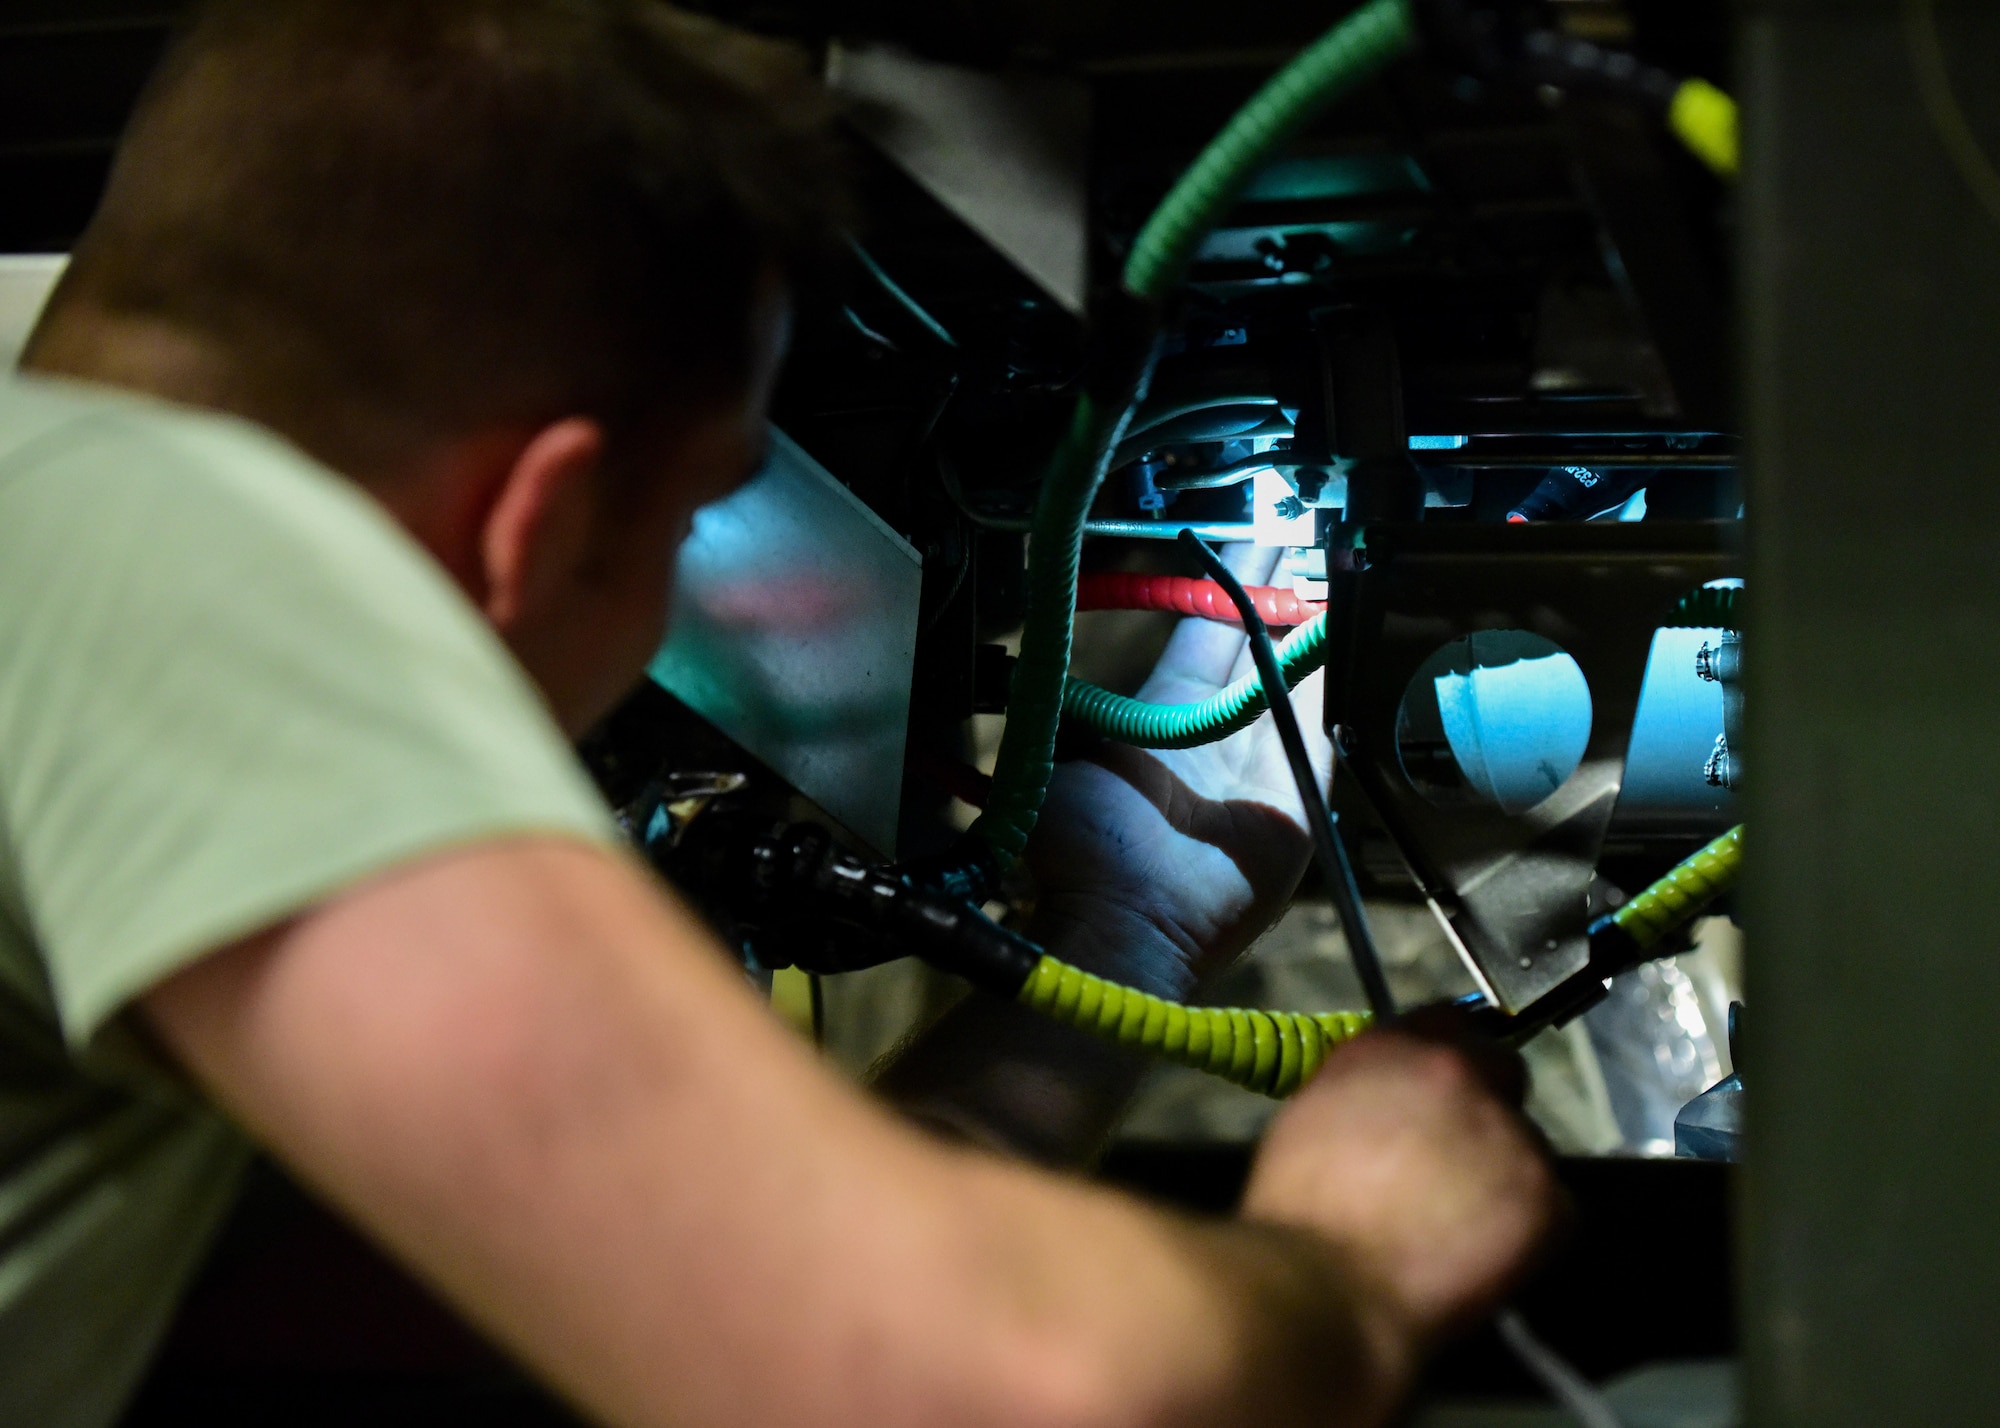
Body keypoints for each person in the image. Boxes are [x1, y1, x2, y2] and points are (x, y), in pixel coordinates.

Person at [0, 2, 1556, 1425]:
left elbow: (652, 1322)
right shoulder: (180, 576)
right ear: (539, 518)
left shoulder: (64, 553)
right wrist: (1360, 1264)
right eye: (691, 523)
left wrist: (1128, 936)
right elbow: (986, 1386)